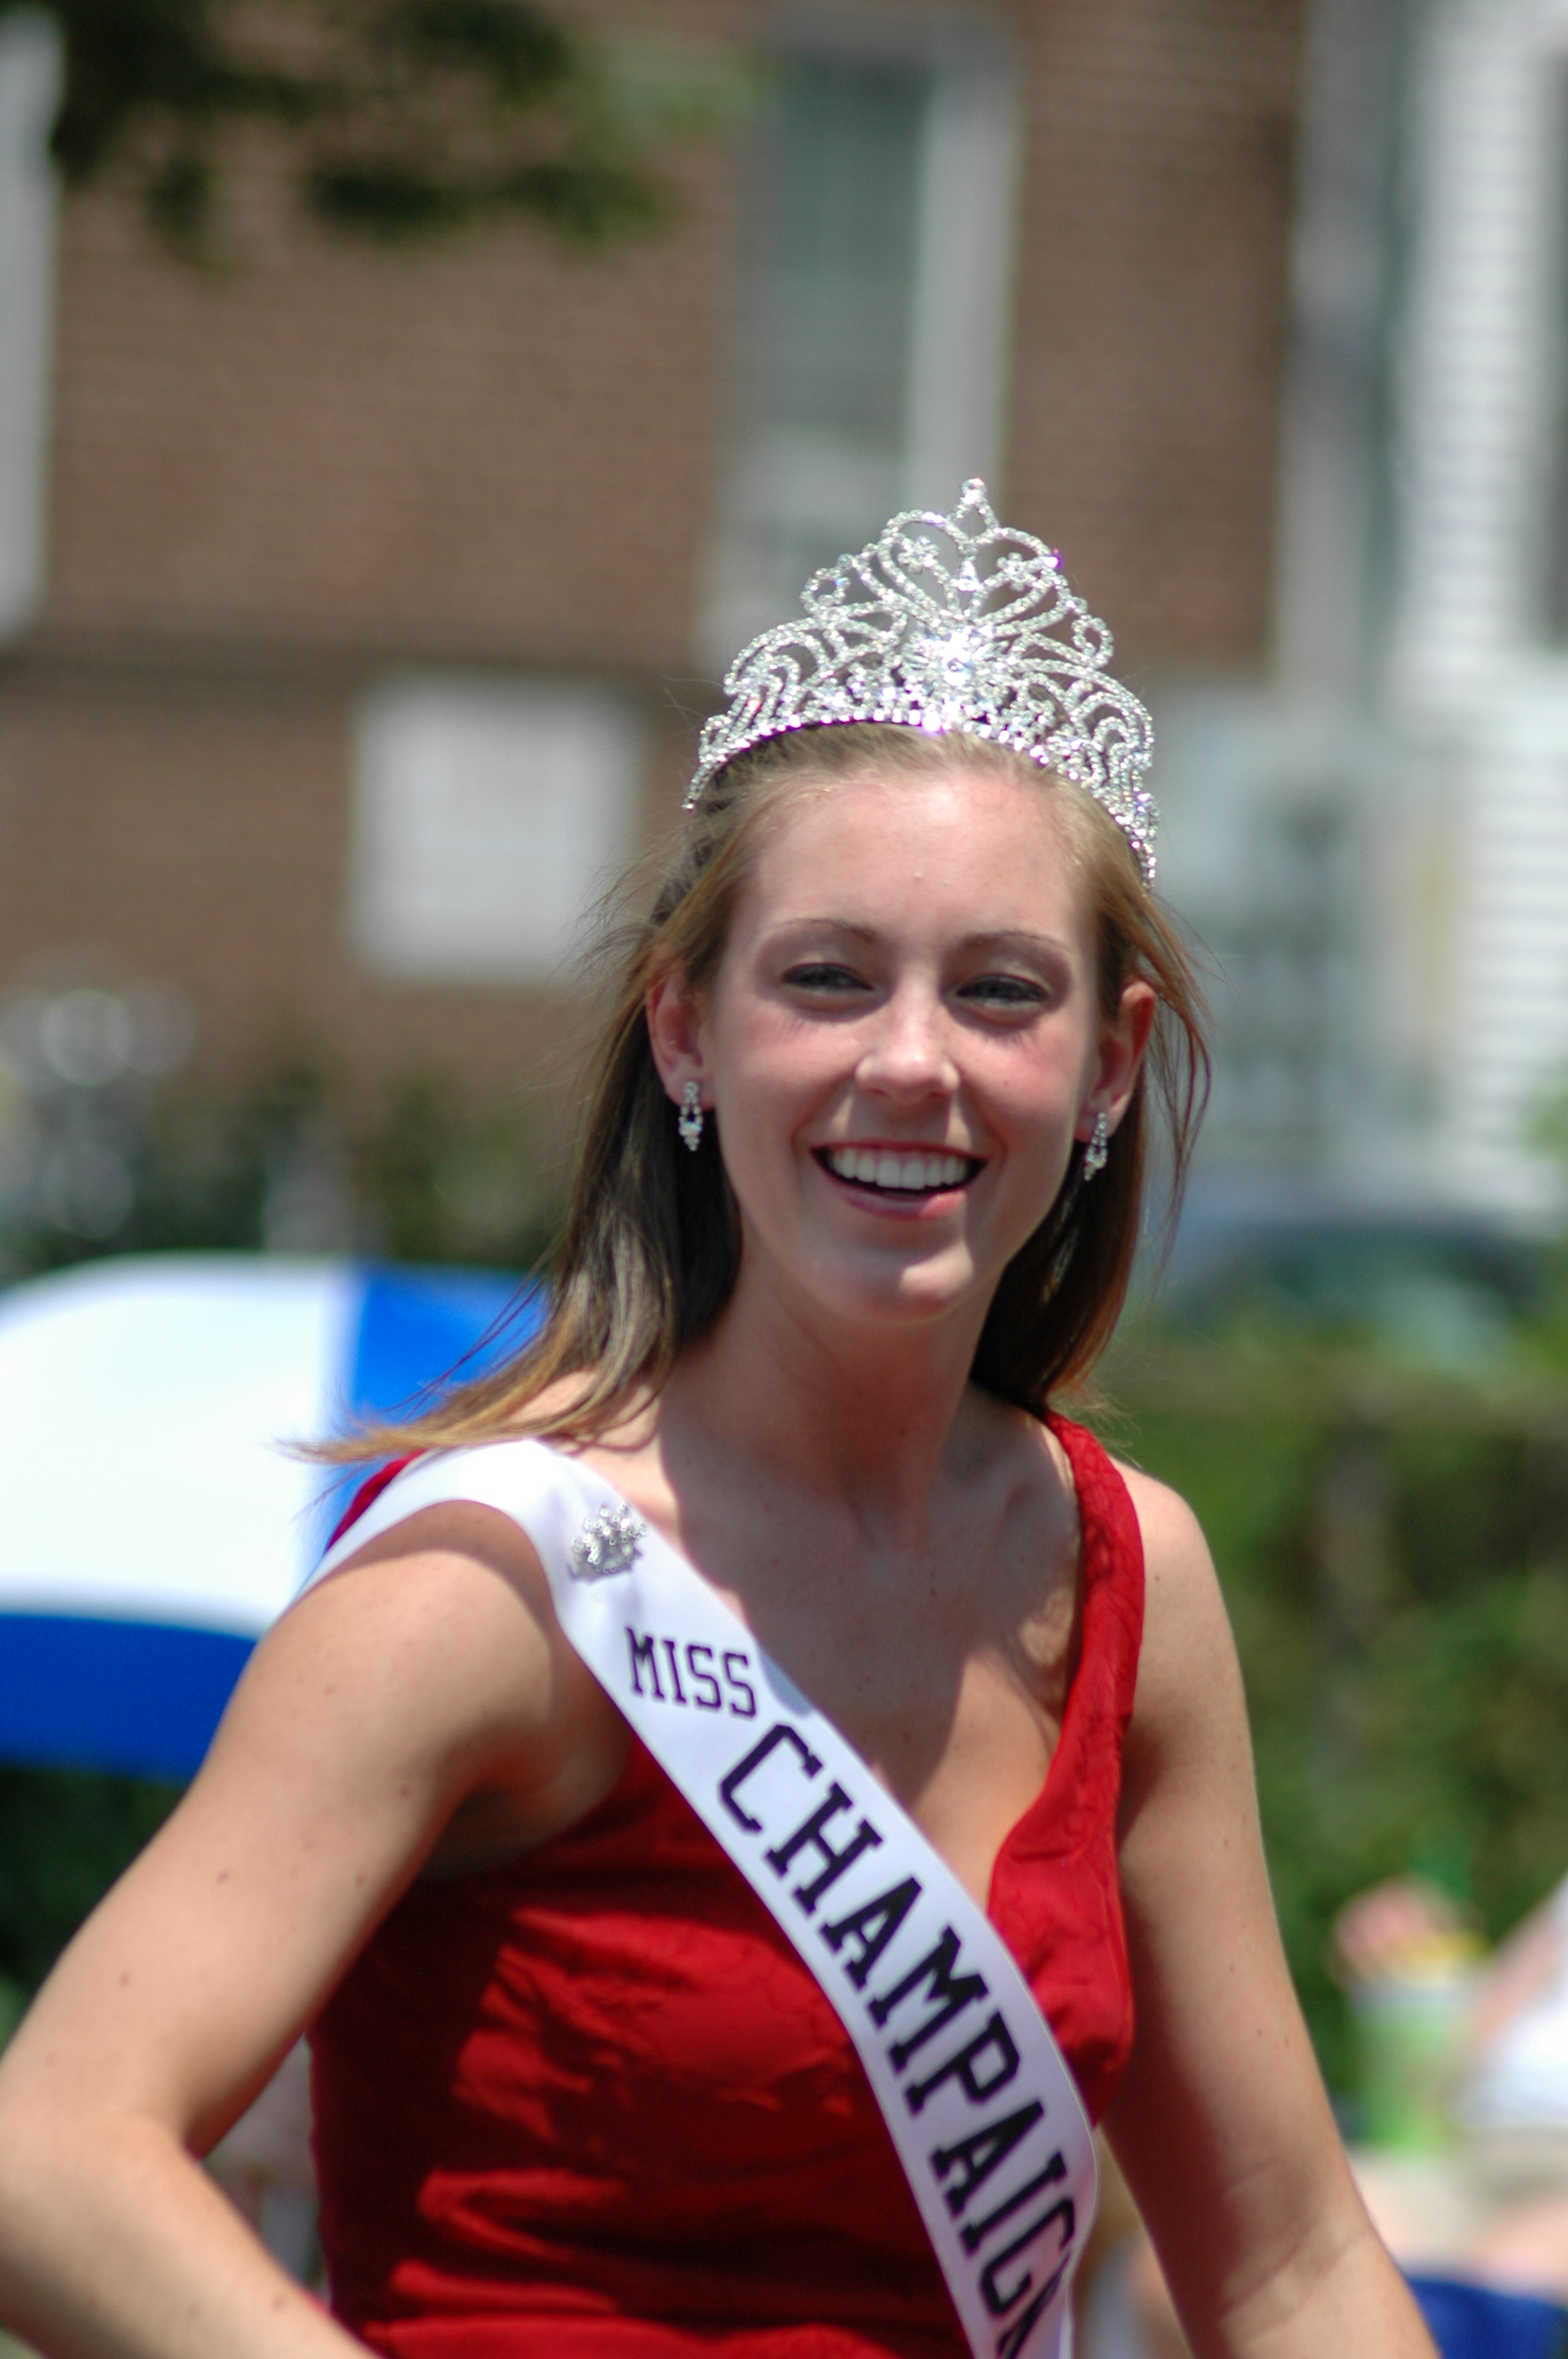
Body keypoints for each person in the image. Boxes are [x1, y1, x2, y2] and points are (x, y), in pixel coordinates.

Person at [0, 482, 1433, 2359]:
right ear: (686, 1030)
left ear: (1109, 1062)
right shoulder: (489, 1589)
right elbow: (49, 2157)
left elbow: (1288, 2265)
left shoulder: (1122, 1582)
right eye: (825, 977)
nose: (909, 1059)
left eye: (998, 991)